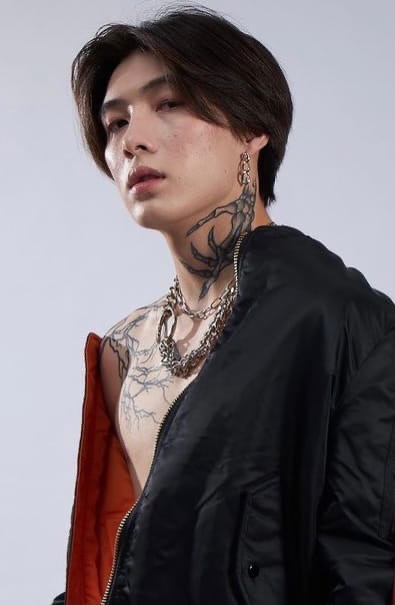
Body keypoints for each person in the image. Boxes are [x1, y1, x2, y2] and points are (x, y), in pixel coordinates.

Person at [52, 5, 395, 605]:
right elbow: (122, 567)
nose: (132, 140)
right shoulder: (124, 348)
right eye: (114, 123)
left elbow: (363, 569)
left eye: (169, 103)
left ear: (252, 126)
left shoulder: (342, 320)